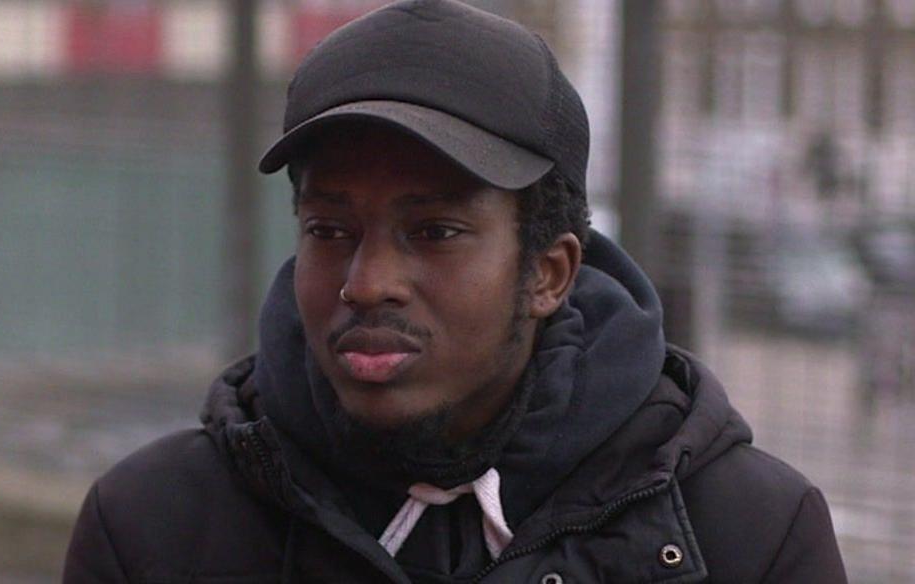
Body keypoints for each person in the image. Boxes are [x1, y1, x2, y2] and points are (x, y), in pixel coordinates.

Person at [63, 1, 848, 582]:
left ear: (549, 273)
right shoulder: (154, 529)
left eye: (434, 232)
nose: (366, 285)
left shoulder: (747, 537)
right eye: (330, 230)